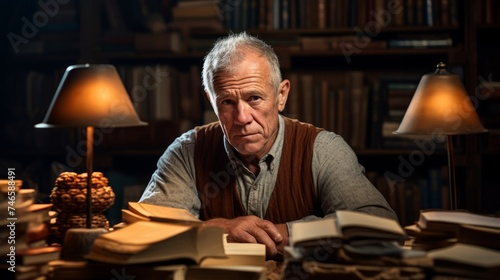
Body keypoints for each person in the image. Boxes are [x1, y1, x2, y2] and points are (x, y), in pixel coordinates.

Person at [139, 32, 397, 259]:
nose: (242, 118)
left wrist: (284, 233)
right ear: (211, 101)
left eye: (254, 98)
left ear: (281, 95)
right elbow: (145, 230)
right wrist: (215, 230)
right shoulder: (187, 151)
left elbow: (379, 226)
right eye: (227, 102)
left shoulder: (323, 148)